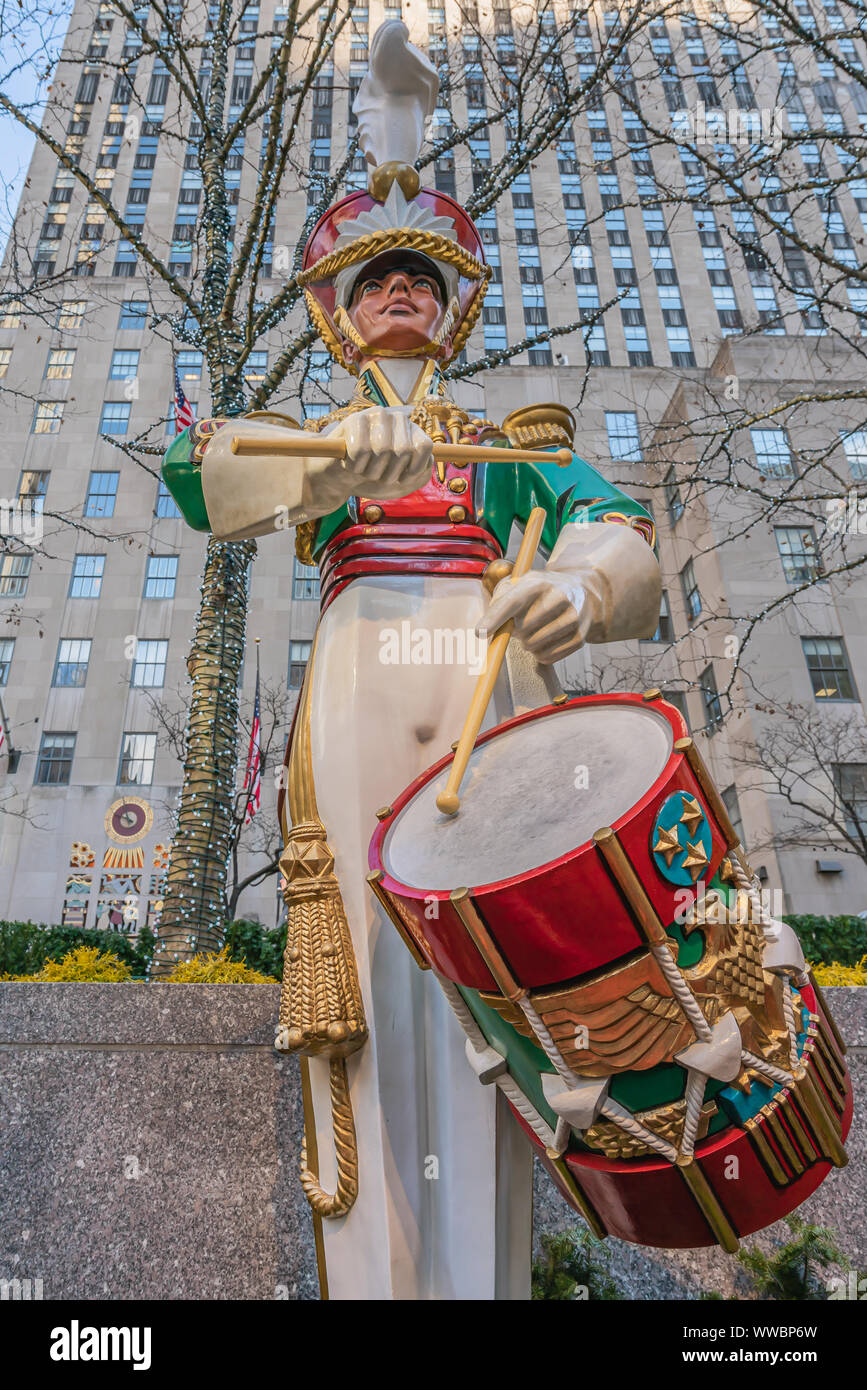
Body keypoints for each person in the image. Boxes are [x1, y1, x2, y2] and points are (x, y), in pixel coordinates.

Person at [163, 20, 661, 1299]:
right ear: (342, 307)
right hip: (360, 686)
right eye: (380, 276)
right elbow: (201, 476)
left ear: (450, 308)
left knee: (501, 985)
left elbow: (623, 533)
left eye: (423, 280)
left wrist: (576, 581)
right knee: (376, 993)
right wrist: (335, 462)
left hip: (489, 688)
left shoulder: (511, 440)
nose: (403, 291)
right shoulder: (315, 429)